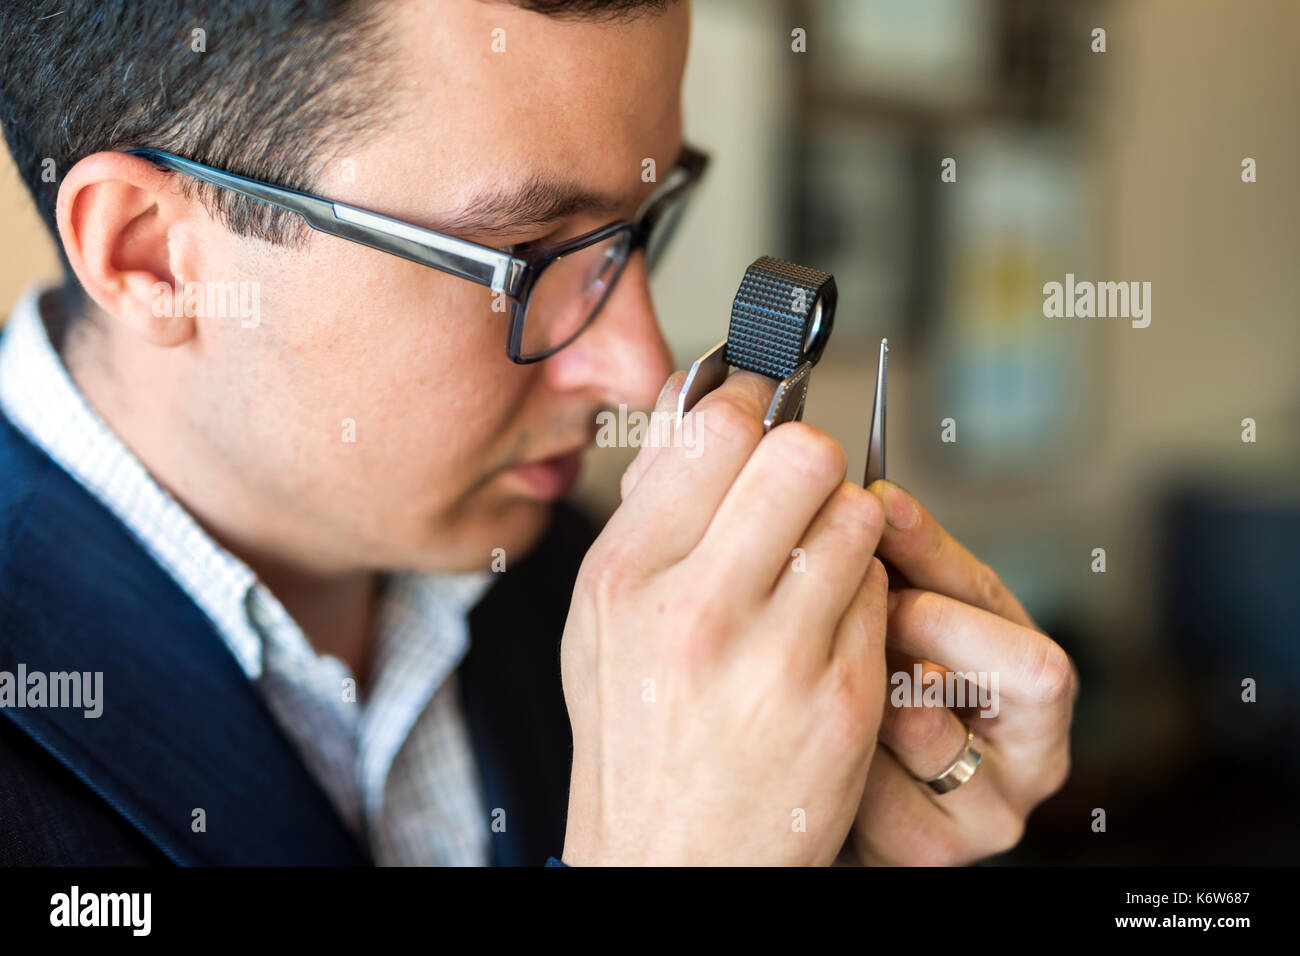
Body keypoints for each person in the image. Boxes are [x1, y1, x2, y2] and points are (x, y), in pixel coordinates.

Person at [0, 0, 1075, 866]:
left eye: (636, 230)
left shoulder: (608, 590)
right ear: (151, 255)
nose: (641, 368)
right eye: (522, 255)